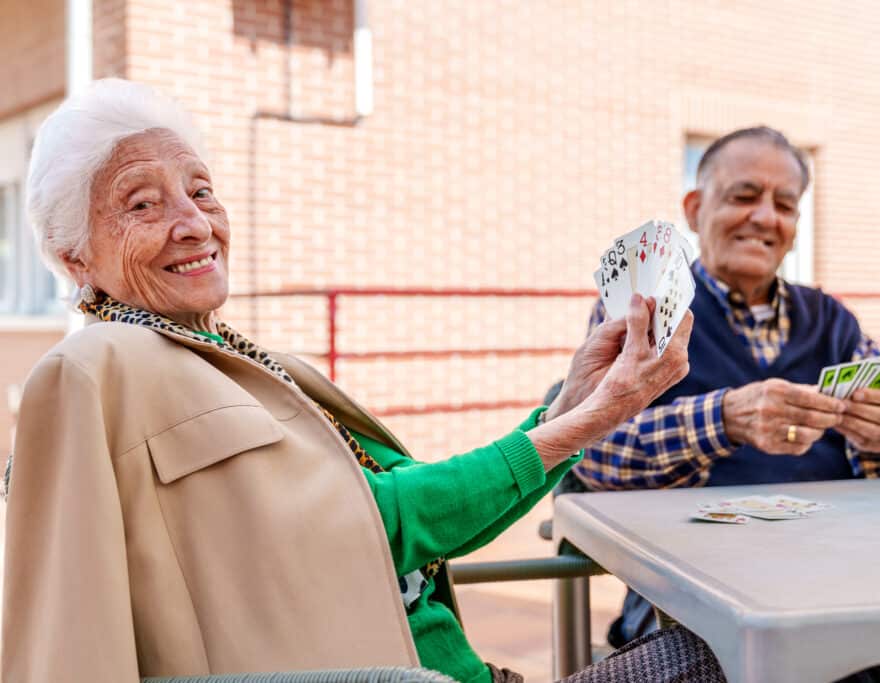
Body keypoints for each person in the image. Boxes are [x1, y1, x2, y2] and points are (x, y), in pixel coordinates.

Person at [1, 79, 725, 683]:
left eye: (201, 191)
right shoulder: (95, 369)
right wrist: (595, 416)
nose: (194, 223)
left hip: (470, 669)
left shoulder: (246, 359)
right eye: (142, 203)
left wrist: (573, 400)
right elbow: (387, 523)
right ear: (75, 259)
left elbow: (426, 517)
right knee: (725, 655)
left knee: (727, 647)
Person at [576, 126, 880, 649]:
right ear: (695, 208)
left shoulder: (832, 319)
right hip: (689, 602)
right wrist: (722, 420)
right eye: (744, 196)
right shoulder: (647, 309)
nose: (766, 218)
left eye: (785, 206)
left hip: (847, 577)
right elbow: (592, 453)